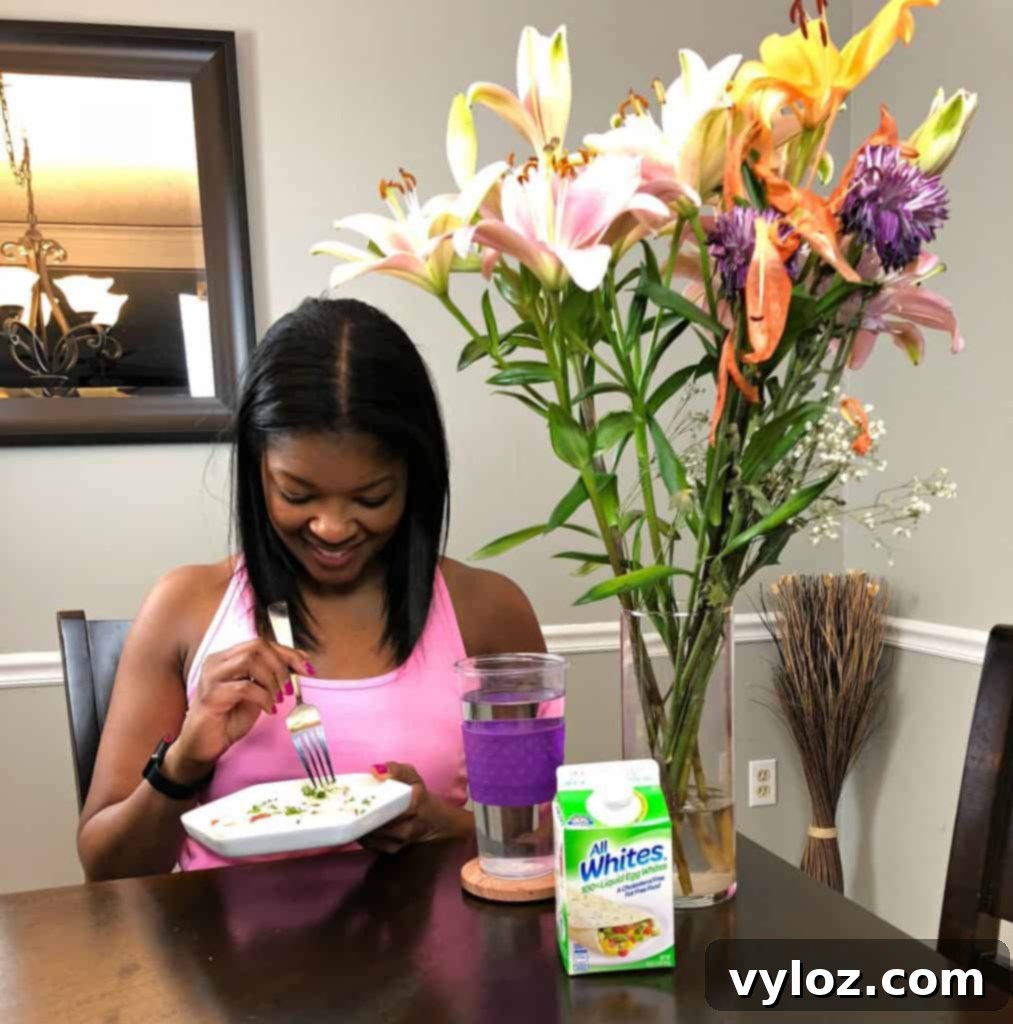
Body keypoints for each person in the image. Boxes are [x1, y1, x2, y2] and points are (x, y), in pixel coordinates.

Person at [77, 297, 546, 880]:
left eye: (371, 498)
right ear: (257, 470)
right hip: (225, 964)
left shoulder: (489, 613)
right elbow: (105, 868)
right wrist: (184, 762)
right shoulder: (184, 607)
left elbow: (539, 838)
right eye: (298, 495)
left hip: (430, 962)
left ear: (417, 478)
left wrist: (439, 825)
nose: (332, 528)